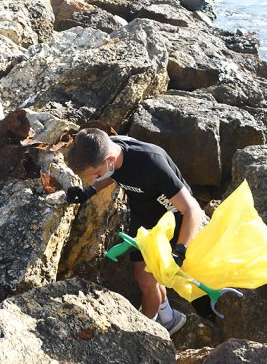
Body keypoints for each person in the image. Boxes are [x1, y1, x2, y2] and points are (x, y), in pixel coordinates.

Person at [64, 128, 206, 336]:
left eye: (94, 175)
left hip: (172, 221)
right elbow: (112, 175)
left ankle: (142, 332)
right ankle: (169, 318)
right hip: (143, 217)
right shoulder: (108, 150)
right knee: (145, 277)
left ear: (110, 160)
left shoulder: (152, 163)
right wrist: (89, 191)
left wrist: (181, 250)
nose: (93, 178)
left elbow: (191, 209)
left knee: (146, 280)